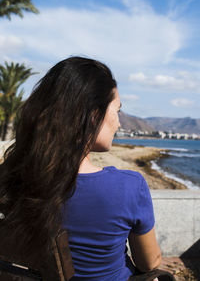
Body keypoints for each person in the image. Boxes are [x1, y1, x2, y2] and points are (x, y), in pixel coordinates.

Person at [0, 56, 161, 280]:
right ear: (94, 115)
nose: (119, 123)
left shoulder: (11, 178)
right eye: (118, 111)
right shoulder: (128, 187)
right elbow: (150, 262)